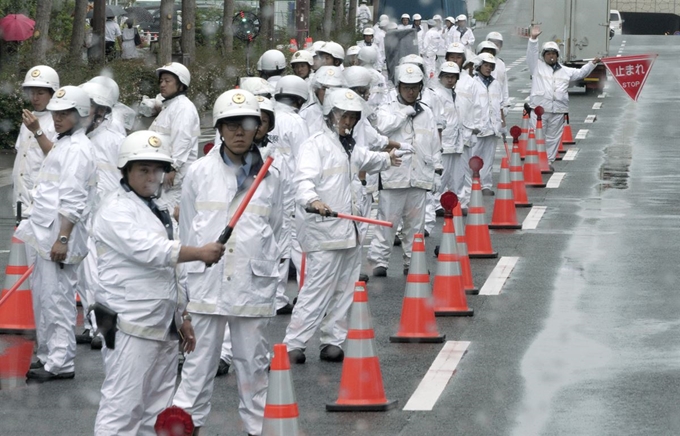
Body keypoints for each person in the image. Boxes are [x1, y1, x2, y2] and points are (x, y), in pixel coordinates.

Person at [93, 130, 224, 435]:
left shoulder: (158, 208)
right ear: (126, 171)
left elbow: (173, 275)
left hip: (163, 326)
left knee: (157, 411)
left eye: (157, 169)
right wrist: (199, 252)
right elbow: (154, 253)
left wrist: (183, 318)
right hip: (129, 326)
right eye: (143, 169)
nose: (152, 177)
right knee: (122, 409)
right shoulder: (115, 210)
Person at [172, 89, 283, 436]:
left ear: (257, 129)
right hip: (206, 284)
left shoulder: (271, 177)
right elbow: (188, 229)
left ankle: (257, 429)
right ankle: (186, 426)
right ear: (219, 129)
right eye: (231, 125)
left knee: (254, 366)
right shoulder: (199, 173)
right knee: (198, 367)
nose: (239, 132)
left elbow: (276, 229)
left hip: (252, 284)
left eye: (247, 125)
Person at [284, 88, 401, 365]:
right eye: (343, 115)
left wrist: (388, 159)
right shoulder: (315, 145)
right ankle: (294, 343)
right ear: (330, 115)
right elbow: (303, 181)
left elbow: (366, 159)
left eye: (352, 116)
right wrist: (313, 200)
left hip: (351, 230)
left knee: (345, 289)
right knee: (317, 289)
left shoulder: (349, 146)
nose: (347, 121)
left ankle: (332, 341)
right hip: (326, 231)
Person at [16, 86, 96, 383]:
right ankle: (50, 354)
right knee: (46, 297)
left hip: (58, 237)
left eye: (65, 113)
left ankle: (60, 361)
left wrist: (63, 238)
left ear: (81, 115)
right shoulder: (67, 143)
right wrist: (38, 132)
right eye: (56, 113)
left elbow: (74, 198)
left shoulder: (78, 149)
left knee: (59, 299)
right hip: (47, 234)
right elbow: (53, 156)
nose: (58, 118)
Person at [367, 64, 440, 277]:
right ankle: (379, 261)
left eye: (415, 87)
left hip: (419, 177)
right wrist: (404, 113)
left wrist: (436, 169)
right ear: (398, 87)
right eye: (406, 87)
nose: (410, 91)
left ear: (420, 87)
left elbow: (433, 142)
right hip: (393, 176)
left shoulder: (426, 112)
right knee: (387, 222)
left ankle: (413, 262)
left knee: (415, 225)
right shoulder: (387, 109)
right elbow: (381, 128)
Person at [74, 81, 126, 349]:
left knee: (100, 273)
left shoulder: (115, 139)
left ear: (103, 111)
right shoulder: (83, 138)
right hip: (86, 215)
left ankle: (102, 326)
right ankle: (91, 324)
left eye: (90, 106)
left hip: (106, 217)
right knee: (85, 273)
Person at [527, 26, 599, 166]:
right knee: (536, 136)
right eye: (548, 53)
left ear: (557, 55)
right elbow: (531, 53)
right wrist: (533, 39)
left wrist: (592, 64)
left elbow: (581, 73)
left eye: (553, 53)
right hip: (539, 110)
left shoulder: (565, 71)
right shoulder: (536, 67)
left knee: (553, 138)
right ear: (543, 55)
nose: (551, 55)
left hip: (558, 110)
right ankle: (535, 162)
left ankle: (548, 162)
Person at [149, 62, 200, 213]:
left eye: (167, 81)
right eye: (161, 81)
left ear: (181, 84)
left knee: (171, 216)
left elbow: (182, 140)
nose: (162, 84)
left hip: (175, 179)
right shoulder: (170, 106)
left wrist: (173, 168)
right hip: (164, 175)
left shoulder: (183, 108)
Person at [13, 65, 59, 218]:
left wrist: (37, 131)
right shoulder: (28, 119)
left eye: (40, 93)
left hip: (43, 204)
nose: (35, 98)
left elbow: (58, 157)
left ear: (53, 93)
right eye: (32, 93)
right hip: (21, 201)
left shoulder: (57, 121)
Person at [466, 53, 505, 196]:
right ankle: (471, 185)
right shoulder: (472, 83)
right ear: (479, 66)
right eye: (486, 65)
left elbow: (499, 104)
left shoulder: (495, 84)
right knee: (473, 157)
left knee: (488, 158)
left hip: (492, 127)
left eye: (491, 66)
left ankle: (486, 185)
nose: (488, 69)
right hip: (478, 127)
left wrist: (502, 124)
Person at [299, 65, 345, 133]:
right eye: (325, 89)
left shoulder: (346, 114)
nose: (329, 93)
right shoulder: (306, 114)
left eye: (335, 89)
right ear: (316, 90)